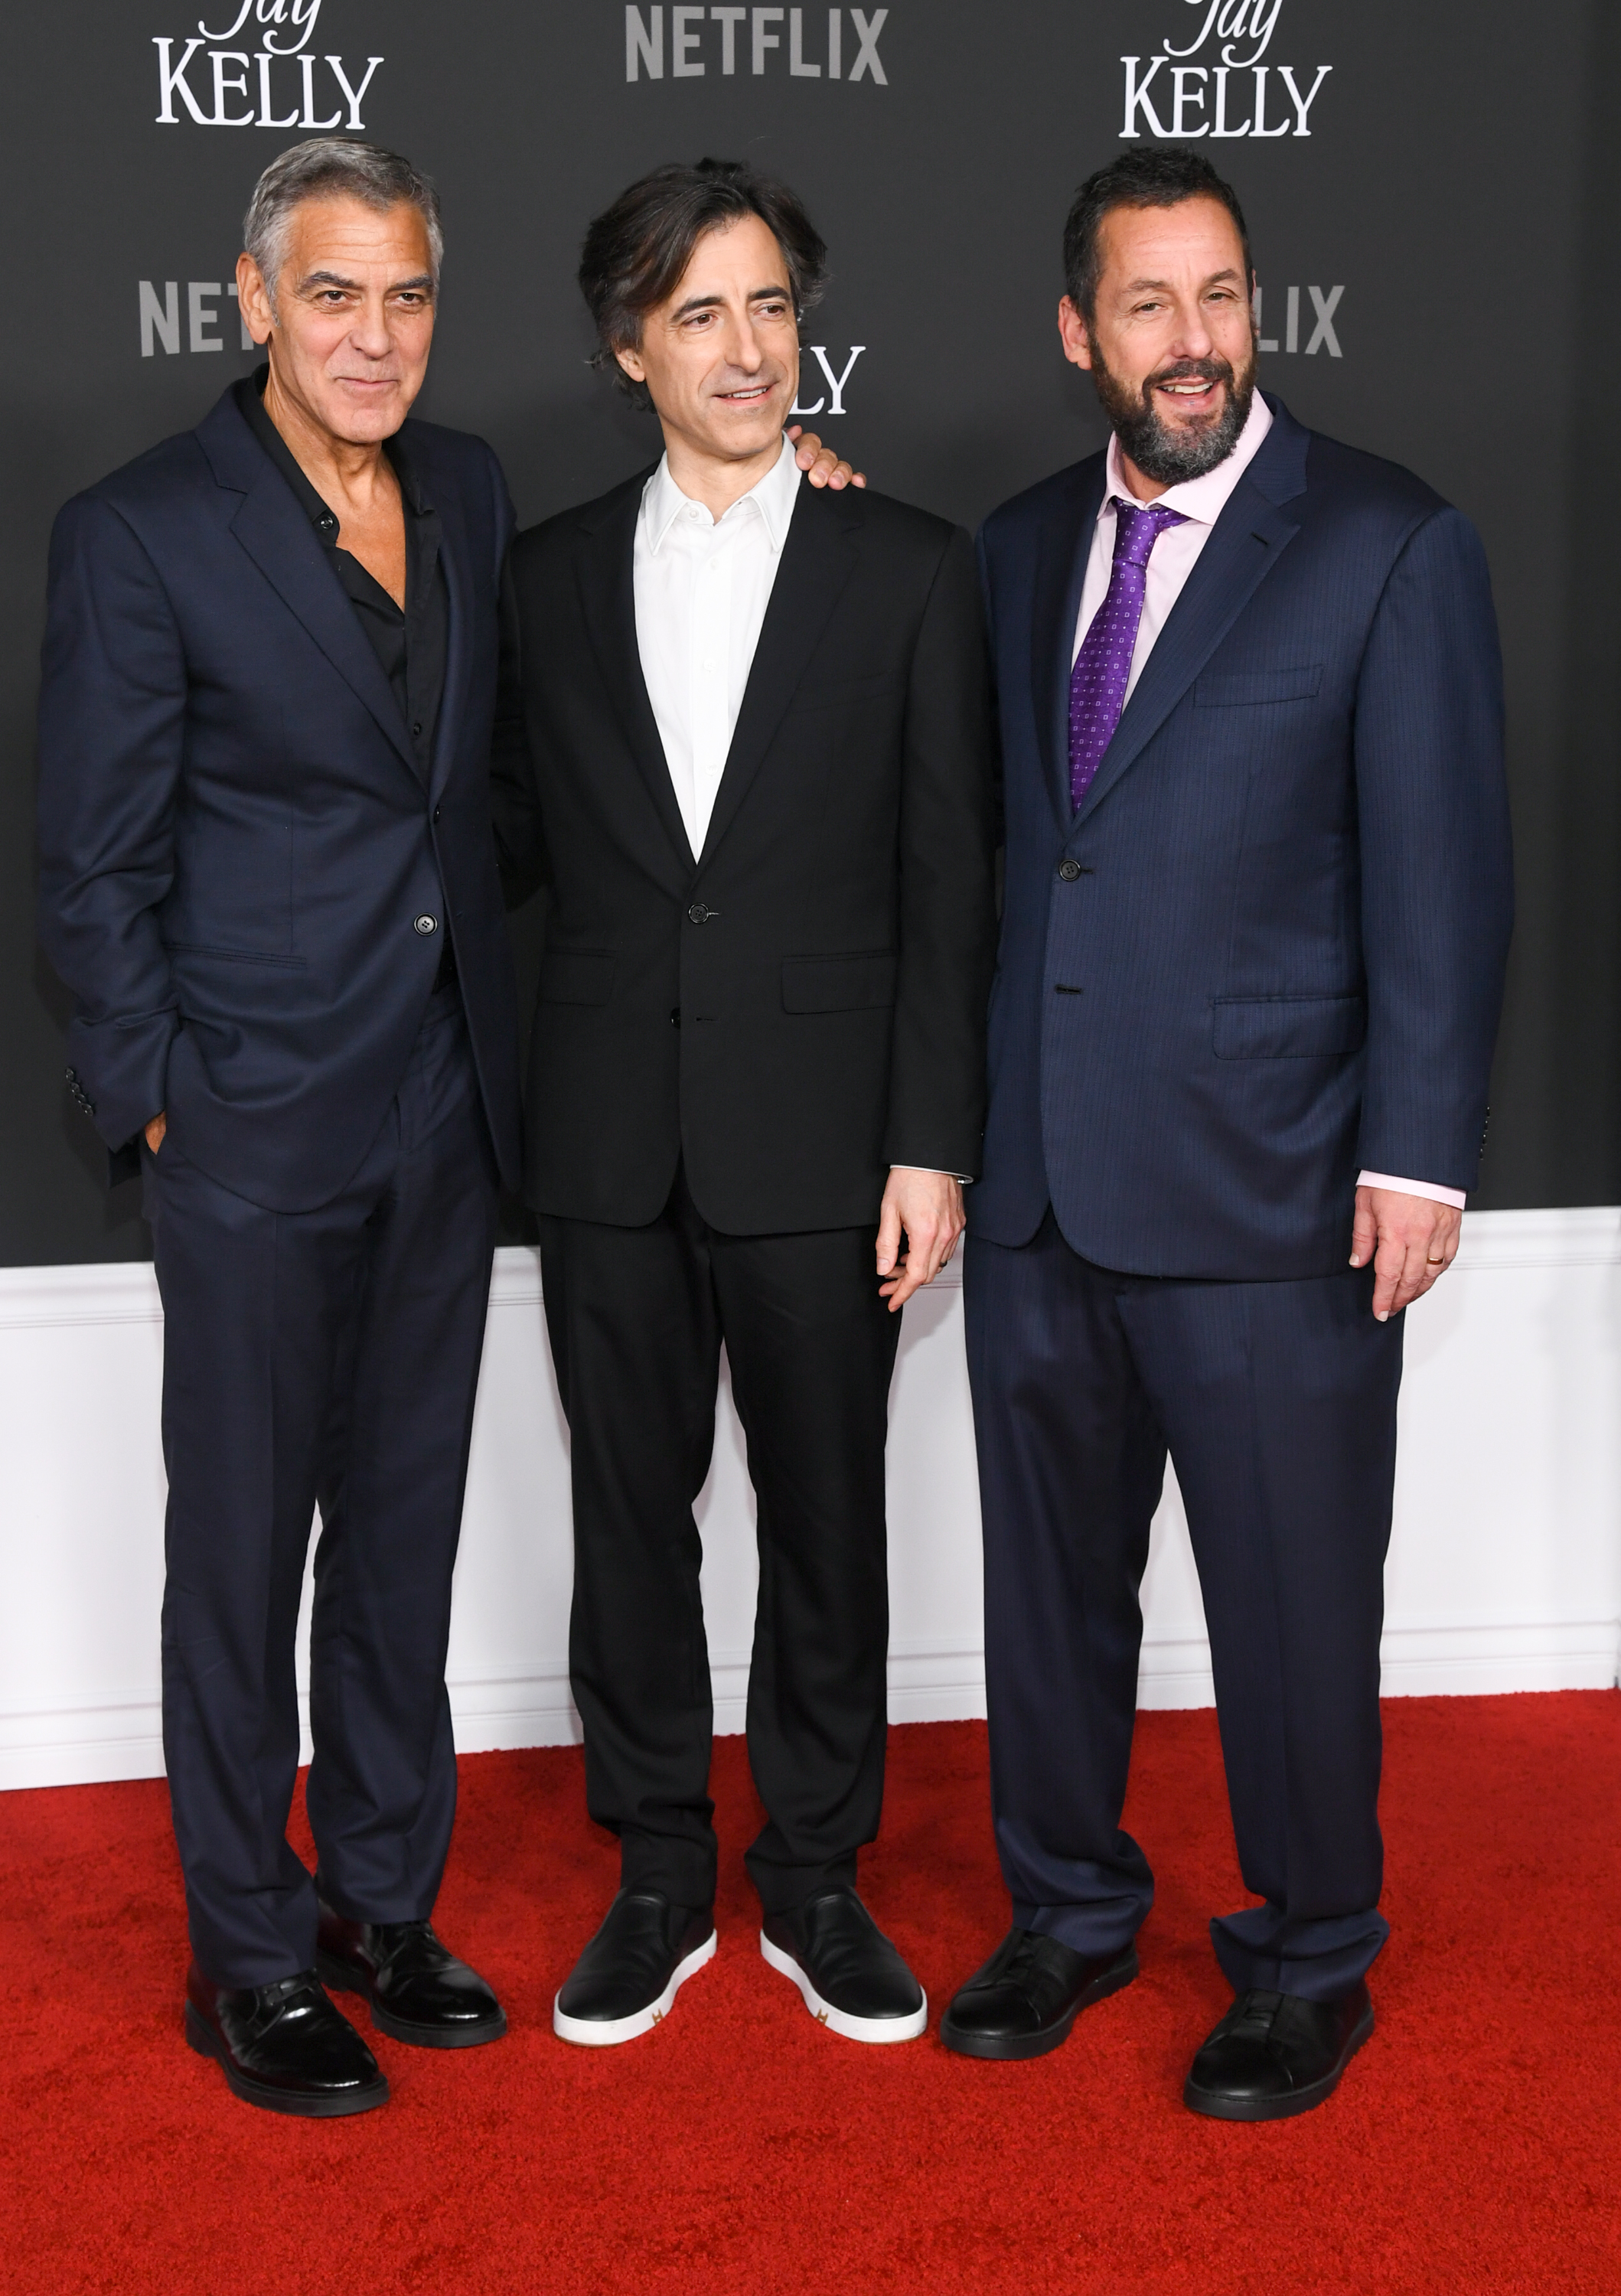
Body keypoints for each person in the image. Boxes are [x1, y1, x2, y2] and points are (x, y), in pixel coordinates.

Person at [36, 135, 858, 2117]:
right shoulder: (140, 529)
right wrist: (160, 1106)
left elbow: (540, 714)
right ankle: (245, 1952)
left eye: (405, 296)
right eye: (333, 295)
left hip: (442, 1108)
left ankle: (375, 1909)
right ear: (252, 306)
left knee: (399, 1541)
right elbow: (87, 865)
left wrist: (794, 497)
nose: (373, 335)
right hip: (242, 1126)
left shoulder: (472, 491)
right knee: (241, 1557)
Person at [942, 149, 1512, 2119]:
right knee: (1046, 1600)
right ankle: (1070, 1914)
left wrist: (1417, 1156)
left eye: (1221, 298)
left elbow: (1443, 876)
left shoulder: (1382, 542)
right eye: (1152, 306)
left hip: (1279, 1196)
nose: (1194, 344)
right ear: (1079, 332)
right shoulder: (1013, 547)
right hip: (1039, 1192)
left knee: (1286, 1607)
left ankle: (1307, 1959)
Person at [493, 158, 996, 2050]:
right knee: (629, 1521)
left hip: (828, 1136)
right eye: (698, 313)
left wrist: (929, 1136)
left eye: (771, 306)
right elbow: (515, 844)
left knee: (826, 1519)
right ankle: (654, 1872)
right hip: (609, 1133)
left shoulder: (908, 563)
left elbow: (955, 876)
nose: (744, 347)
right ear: (629, 346)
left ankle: (812, 1877)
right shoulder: (542, 577)